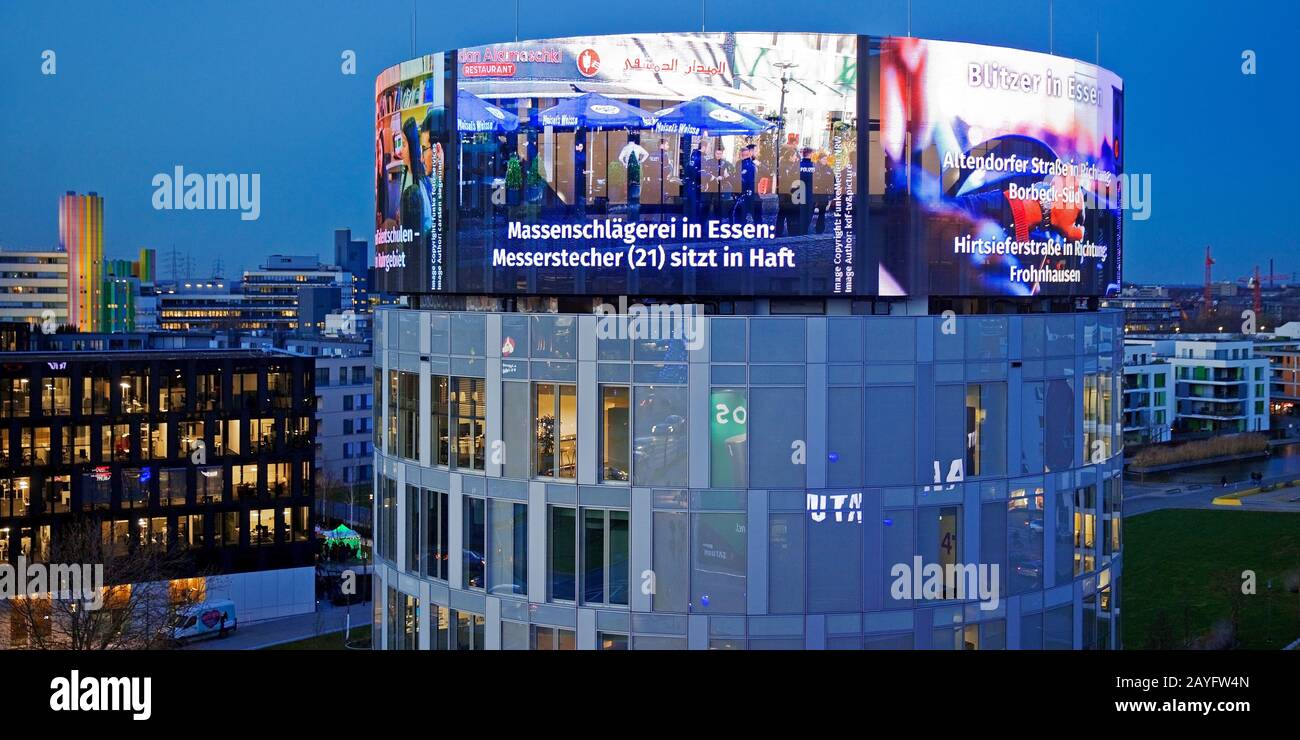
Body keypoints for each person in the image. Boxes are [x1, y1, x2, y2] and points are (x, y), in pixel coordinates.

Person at [619, 135, 650, 222]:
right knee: (636, 194)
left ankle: (631, 218)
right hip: (637, 172)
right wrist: (640, 162)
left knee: (630, 194)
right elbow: (646, 154)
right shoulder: (638, 147)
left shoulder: (626, 148)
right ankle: (635, 217)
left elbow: (620, 158)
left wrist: (625, 164)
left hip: (629, 172)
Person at [702, 145, 733, 223]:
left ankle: (717, 225)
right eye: (717, 153)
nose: (718, 155)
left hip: (720, 188)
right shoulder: (708, 162)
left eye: (720, 154)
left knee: (718, 207)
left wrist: (722, 177)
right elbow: (704, 173)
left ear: (722, 154)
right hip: (709, 187)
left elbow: (730, 174)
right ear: (714, 153)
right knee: (706, 206)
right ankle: (702, 225)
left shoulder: (726, 163)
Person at [775, 148, 801, 237]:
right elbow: (788, 180)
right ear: (790, 157)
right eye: (794, 156)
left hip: (786, 194)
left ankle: (780, 232)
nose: (795, 158)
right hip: (787, 194)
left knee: (782, 213)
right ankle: (789, 232)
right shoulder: (786, 167)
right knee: (787, 214)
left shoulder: (786, 166)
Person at [733, 143, 761, 225]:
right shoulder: (739, 163)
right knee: (742, 214)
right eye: (755, 150)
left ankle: (758, 232)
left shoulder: (754, 163)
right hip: (746, 192)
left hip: (751, 192)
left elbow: (766, 173)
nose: (756, 152)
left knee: (753, 214)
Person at [812, 152, 834, 233]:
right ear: (819, 159)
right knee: (810, 212)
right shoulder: (814, 167)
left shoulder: (829, 169)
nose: (825, 160)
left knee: (822, 213)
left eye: (826, 159)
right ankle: (806, 229)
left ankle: (819, 230)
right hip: (813, 193)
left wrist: (831, 197)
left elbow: (832, 183)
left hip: (824, 194)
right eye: (823, 159)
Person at [798, 147, 816, 235]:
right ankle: (805, 230)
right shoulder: (814, 166)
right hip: (810, 194)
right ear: (811, 154)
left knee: (800, 212)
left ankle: (800, 230)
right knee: (808, 213)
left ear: (803, 154)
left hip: (799, 193)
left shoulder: (798, 165)